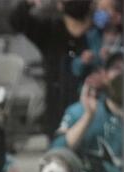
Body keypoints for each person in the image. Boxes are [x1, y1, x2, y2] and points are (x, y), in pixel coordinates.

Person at [10, 0, 100, 136]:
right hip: (58, 112)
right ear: (60, 4)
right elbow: (17, 20)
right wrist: (28, 3)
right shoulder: (50, 31)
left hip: (94, 111)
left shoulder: (98, 33)